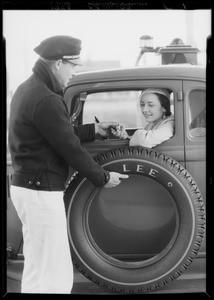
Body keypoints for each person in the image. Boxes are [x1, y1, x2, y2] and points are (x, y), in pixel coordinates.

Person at [8, 35, 128, 294]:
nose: (74, 72)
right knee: (56, 275)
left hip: (28, 187)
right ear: (58, 63)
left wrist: (96, 130)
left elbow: (58, 133)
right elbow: (70, 148)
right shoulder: (47, 98)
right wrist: (103, 178)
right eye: (73, 66)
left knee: (37, 268)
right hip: (40, 191)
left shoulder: (29, 88)